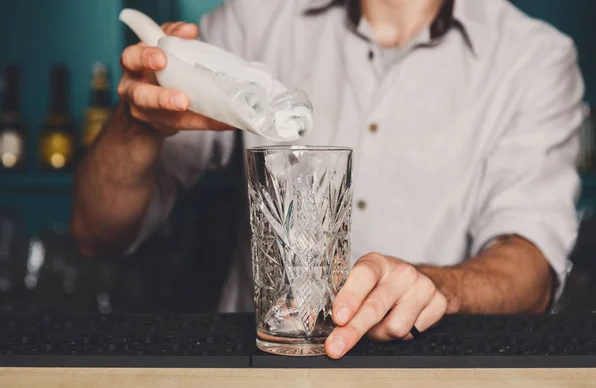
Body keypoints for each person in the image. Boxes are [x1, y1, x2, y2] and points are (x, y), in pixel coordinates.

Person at [71, 0, 586, 359]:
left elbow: (533, 271)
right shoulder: (257, 18)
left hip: (426, 375)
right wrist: (133, 126)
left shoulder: (533, 58)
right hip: (262, 369)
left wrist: (439, 288)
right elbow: (97, 234)